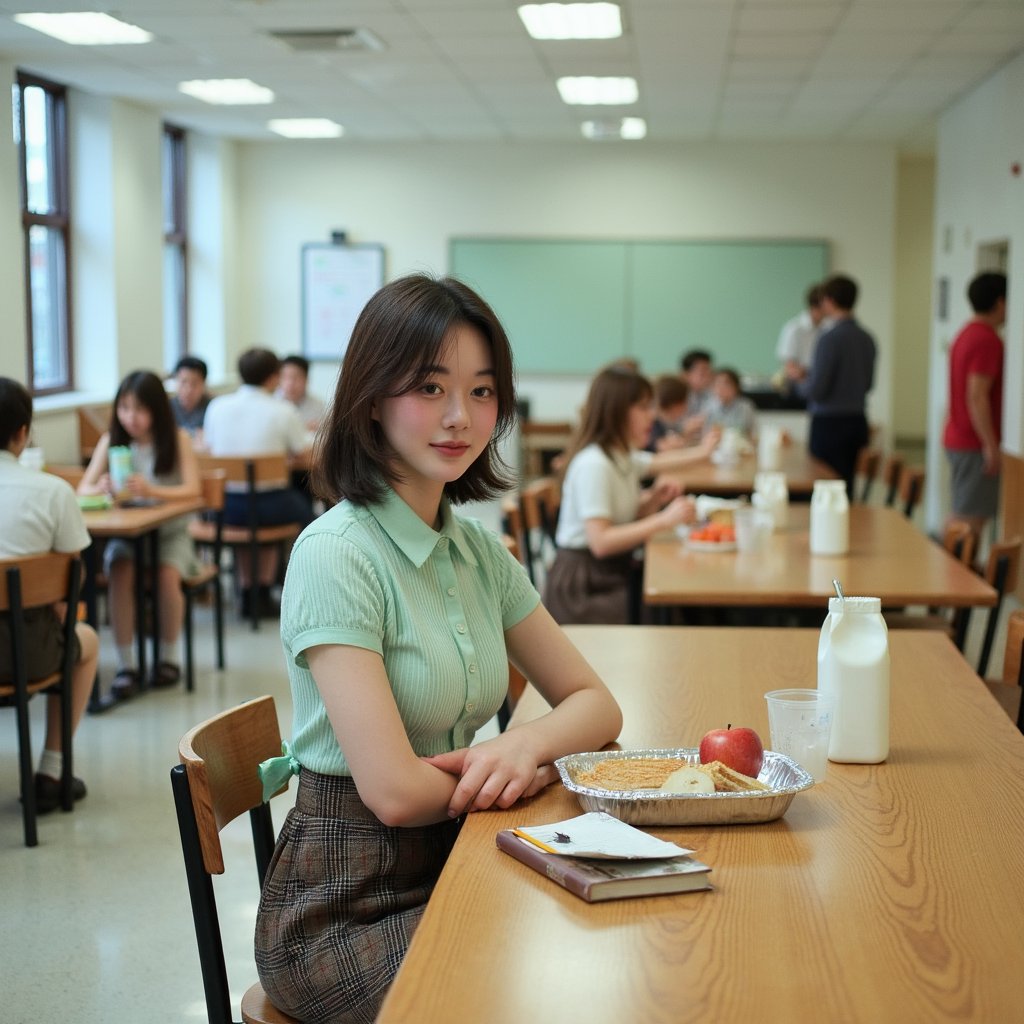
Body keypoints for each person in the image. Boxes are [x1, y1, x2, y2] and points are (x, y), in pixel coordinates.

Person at [253, 274, 622, 1023]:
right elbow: (393, 794)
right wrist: (526, 767)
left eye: (482, 392)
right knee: (549, 986)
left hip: (460, 856)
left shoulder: (476, 552)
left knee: (606, 949)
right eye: (430, 386)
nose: (460, 417)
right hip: (340, 913)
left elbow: (597, 705)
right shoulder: (336, 554)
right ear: (371, 395)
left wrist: (524, 750)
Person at [543, 364, 719, 625]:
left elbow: (622, 517)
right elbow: (601, 542)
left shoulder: (621, 456)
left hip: (608, 572)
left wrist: (654, 500)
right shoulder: (595, 464)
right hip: (583, 585)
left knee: (677, 604)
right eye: (644, 407)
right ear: (616, 412)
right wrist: (664, 520)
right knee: (665, 616)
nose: (653, 415)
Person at [0, 377, 99, 811]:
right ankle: (51, 768)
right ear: (23, 433)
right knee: (87, 641)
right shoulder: (53, 491)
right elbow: (70, 581)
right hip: (24, 652)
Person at [78, 371, 202, 699]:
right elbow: (84, 487)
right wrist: (101, 486)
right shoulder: (112, 442)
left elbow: (194, 490)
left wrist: (152, 490)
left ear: (158, 410)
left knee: (165, 575)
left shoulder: (177, 439)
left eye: (141, 409)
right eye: (125, 408)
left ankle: (169, 657)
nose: (131, 417)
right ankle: (126, 664)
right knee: (119, 571)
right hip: (128, 533)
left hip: (170, 532)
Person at [203, 348, 314, 614]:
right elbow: (301, 450)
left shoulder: (217, 407)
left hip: (226, 506)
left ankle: (248, 591)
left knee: (251, 522)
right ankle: (272, 591)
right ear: (274, 377)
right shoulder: (283, 410)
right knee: (311, 516)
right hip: (271, 504)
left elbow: (207, 447)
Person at [942, 271, 1007, 535]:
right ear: (1001, 302)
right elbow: (976, 395)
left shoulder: (966, 333)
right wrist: (990, 445)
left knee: (963, 514)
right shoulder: (987, 339)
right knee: (968, 521)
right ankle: (950, 575)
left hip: (960, 436)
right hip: (973, 442)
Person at [803, 274, 876, 498]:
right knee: (846, 489)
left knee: (825, 490)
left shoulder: (829, 338)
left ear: (829, 301)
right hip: (856, 421)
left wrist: (797, 383)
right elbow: (868, 384)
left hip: (829, 425)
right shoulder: (867, 338)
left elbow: (816, 390)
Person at [777, 284, 827, 384]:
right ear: (814, 307)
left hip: (821, 384)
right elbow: (789, 367)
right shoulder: (794, 328)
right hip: (800, 385)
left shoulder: (828, 328)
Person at [704, 367, 758, 441]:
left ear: (736, 387)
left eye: (726, 384)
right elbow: (704, 435)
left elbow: (753, 433)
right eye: (717, 384)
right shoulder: (708, 407)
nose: (721, 388)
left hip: (740, 448)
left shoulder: (746, 406)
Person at [276, 354, 326, 431]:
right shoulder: (272, 402)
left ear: (306, 380)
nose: (290, 383)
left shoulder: (318, 406)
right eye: (285, 377)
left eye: (296, 377)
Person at [169, 355, 211, 440]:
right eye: (183, 382)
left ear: (204, 384)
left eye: (194, 383)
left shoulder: (212, 407)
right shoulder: (167, 407)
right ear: (175, 381)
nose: (188, 390)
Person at [645, 374, 689, 452]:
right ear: (674, 404)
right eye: (684, 403)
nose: (686, 407)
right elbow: (659, 446)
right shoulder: (653, 422)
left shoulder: (663, 422)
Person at [679, 348, 714, 440]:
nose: (707, 376)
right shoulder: (676, 396)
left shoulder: (712, 395)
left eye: (709, 371)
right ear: (686, 375)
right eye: (702, 373)